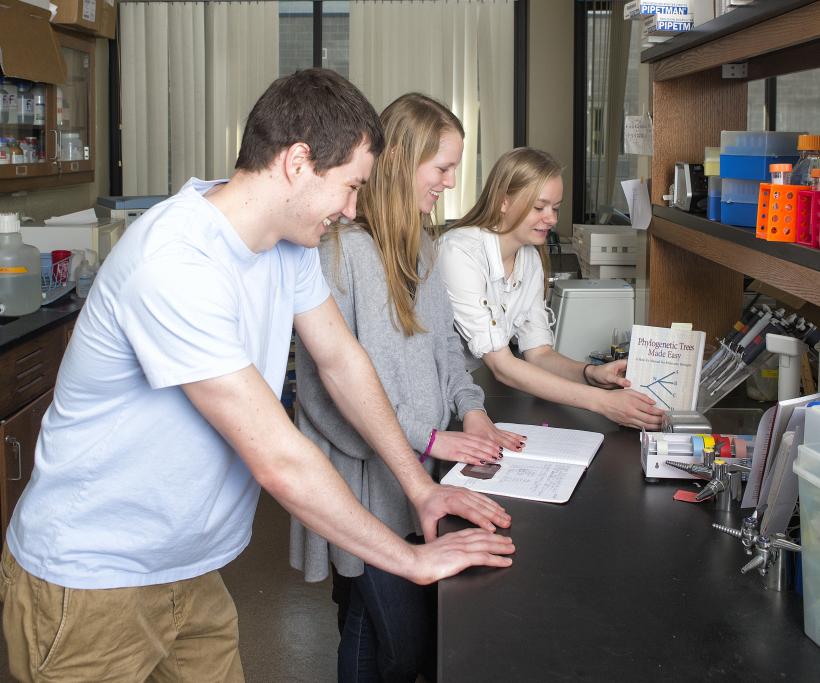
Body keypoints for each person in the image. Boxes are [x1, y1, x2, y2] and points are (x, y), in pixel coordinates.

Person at [0, 70, 515, 683]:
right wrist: (409, 558)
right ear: (298, 162)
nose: (353, 208)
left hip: (189, 573)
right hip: (90, 583)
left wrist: (421, 489)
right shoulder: (177, 262)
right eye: (349, 186)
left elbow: (341, 360)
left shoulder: (285, 244)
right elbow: (277, 456)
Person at [290, 93, 524, 682]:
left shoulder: (421, 247)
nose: (450, 182)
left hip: (417, 473)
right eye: (442, 167)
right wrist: (426, 440)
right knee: (396, 643)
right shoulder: (338, 253)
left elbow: (446, 349)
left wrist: (470, 413)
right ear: (398, 161)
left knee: (381, 633)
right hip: (365, 483)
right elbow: (320, 395)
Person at [437, 147, 664, 430]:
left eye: (555, 208)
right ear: (504, 201)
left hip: (470, 400)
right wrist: (604, 403)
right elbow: (502, 366)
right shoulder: (459, 252)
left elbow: (538, 353)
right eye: (539, 207)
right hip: (436, 399)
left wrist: (590, 373)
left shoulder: (529, 258)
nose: (552, 219)